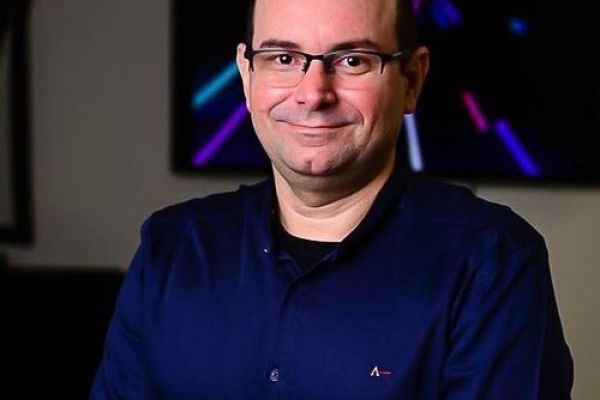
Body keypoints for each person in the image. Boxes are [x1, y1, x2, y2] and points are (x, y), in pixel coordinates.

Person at [90, 0, 573, 398]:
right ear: (246, 74)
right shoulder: (172, 249)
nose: (313, 93)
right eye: (283, 58)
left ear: (411, 80)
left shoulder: (492, 261)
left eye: (352, 60)